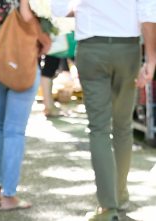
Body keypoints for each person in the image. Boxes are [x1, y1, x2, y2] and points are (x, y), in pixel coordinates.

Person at [52, 0, 155, 220]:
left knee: (99, 128)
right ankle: (120, 194)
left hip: (92, 47)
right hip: (127, 48)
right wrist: (152, 59)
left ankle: (108, 207)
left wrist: (85, 10)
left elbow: (58, 9)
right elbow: (148, 11)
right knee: (123, 127)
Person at [0, 0, 50, 210]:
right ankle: (9, 196)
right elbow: (25, 15)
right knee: (14, 131)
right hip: (20, 63)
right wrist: (45, 39)